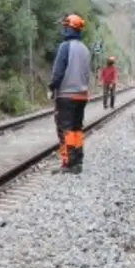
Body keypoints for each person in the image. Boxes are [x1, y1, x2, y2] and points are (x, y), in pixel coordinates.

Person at [48, 14, 92, 174]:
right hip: (82, 95)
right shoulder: (85, 49)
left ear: (69, 28)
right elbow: (88, 73)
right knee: (76, 129)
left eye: (65, 26)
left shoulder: (65, 47)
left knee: (65, 129)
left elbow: (58, 71)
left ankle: (67, 163)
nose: (64, 28)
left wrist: (52, 87)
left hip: (66, 95)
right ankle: (77, 161)